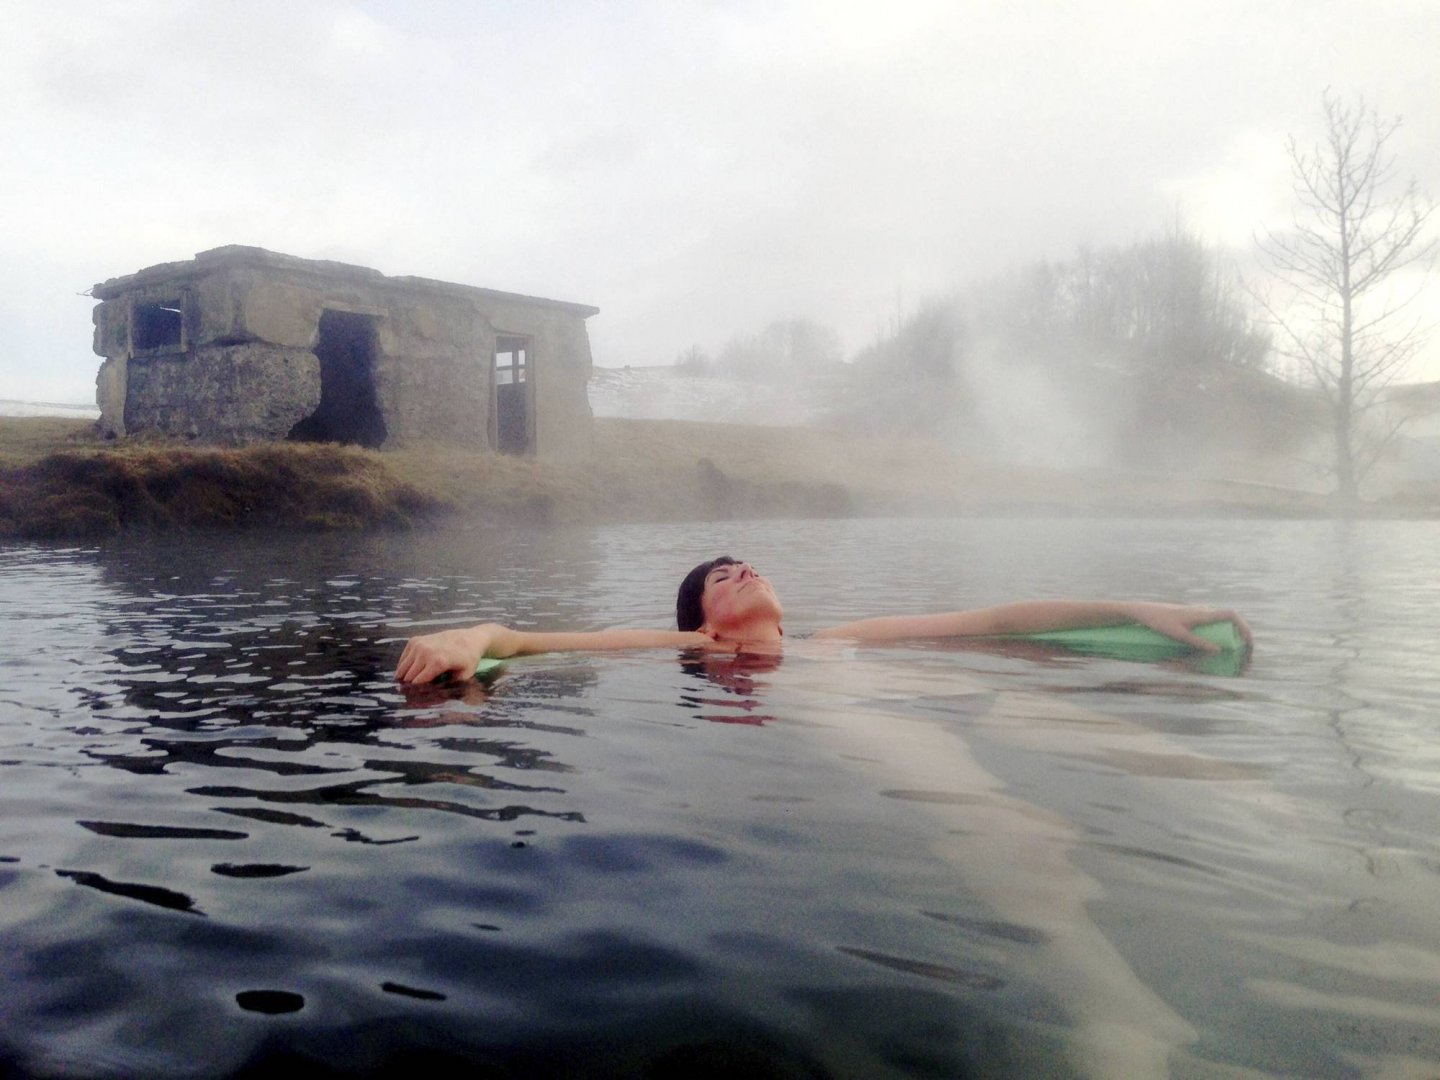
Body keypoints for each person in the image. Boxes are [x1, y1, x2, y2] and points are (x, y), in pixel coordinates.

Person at [395, 556, 1251, 685]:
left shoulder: (832, 642)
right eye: (721, 577)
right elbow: (521, 640)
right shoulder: (696, 647)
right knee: (1019, 832)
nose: (743, 570)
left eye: (746, 562)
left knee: (1046, 702)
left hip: (891, 692)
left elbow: (983, 617)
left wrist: (1135, 605)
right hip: (830, 723)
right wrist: (466, 641)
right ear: (705, 619)